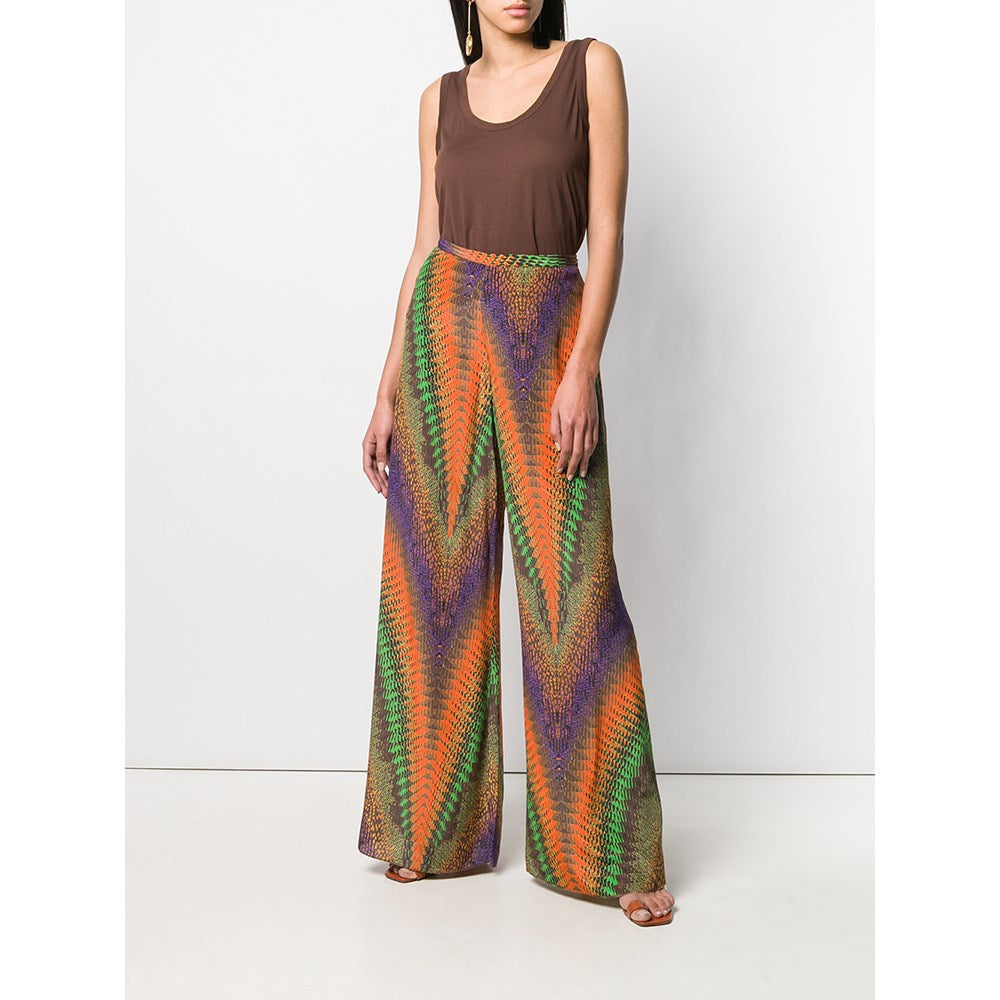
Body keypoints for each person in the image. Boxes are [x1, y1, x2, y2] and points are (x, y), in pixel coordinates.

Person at [358, 0, 675, 927]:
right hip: (444, 332)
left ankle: (608, 850)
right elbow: (425, 247)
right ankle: (429, 832)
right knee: (435, 581)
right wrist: (387, 387)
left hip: (549, 328)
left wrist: (583, 366)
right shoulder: (439, 99)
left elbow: (606, 229)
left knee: (574, 587)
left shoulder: (590, 67)